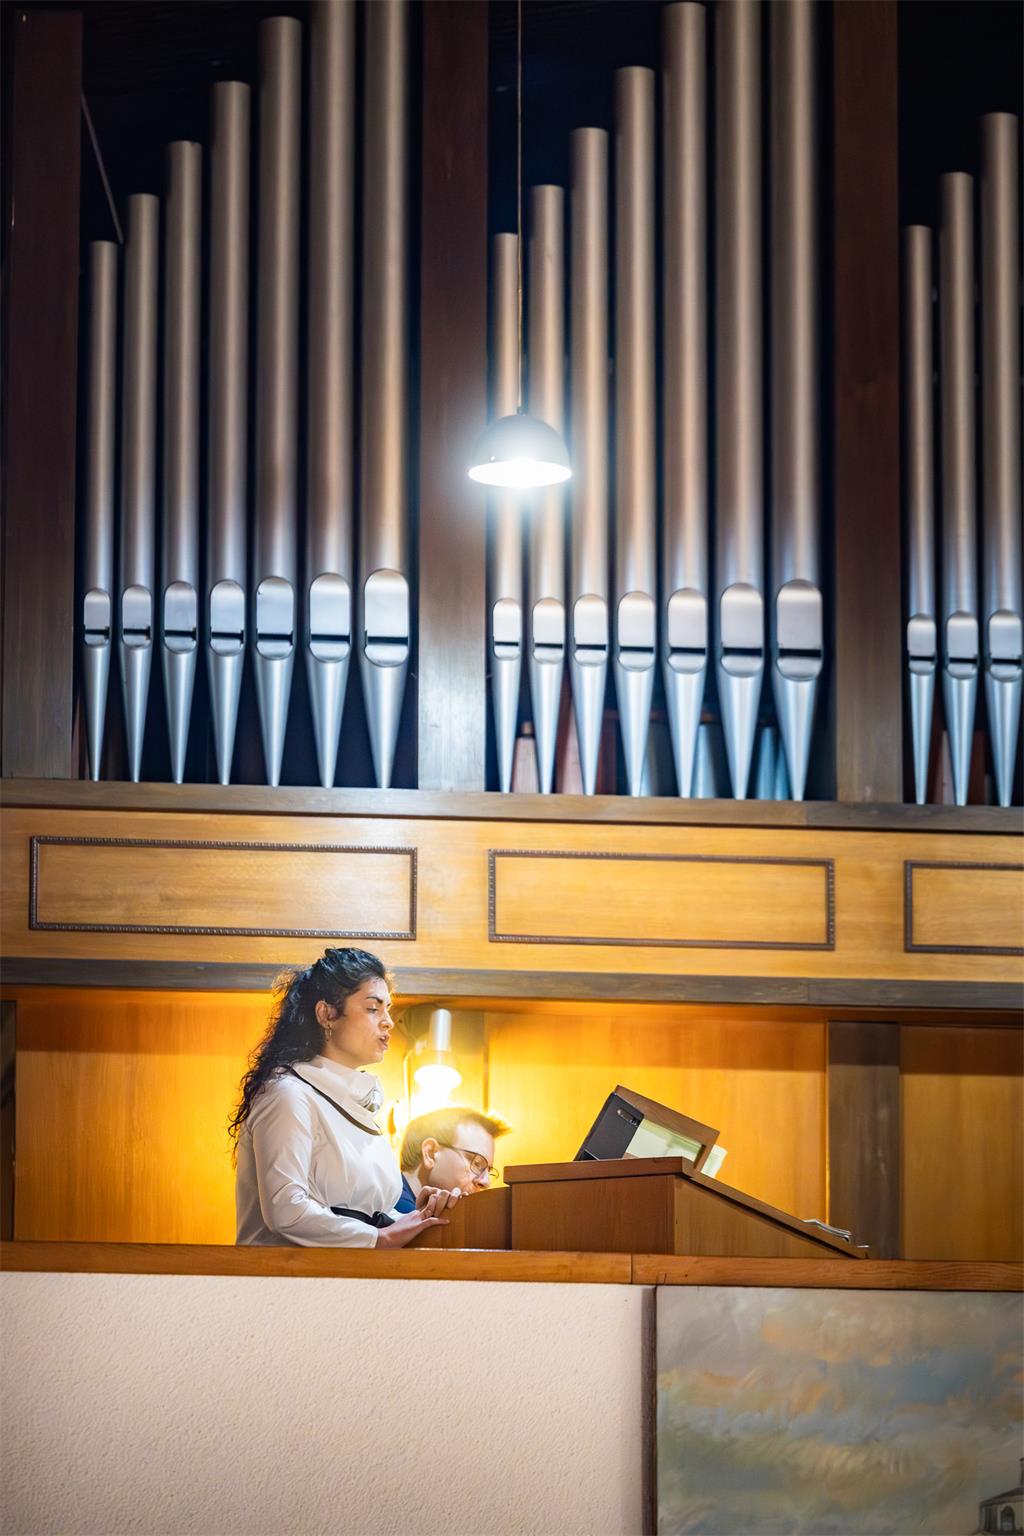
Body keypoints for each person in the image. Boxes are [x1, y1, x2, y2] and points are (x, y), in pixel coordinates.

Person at [231, 947, 461, 1247]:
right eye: (373, 1008)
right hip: (287, 1273)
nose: (388, 1022)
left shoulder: (357, 1102)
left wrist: (416, 1215)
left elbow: (368, 1217)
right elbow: (285, 1209)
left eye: (388, 1009)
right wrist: (378, 1238)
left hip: (349, 1273)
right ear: (327, 1014)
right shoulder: (288, 1094)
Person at [395, 1106, 512, 1214]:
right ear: (430, 1153)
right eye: (476, 1163)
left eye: (488, 1170)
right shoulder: (391, 1211)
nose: (486, 1182)